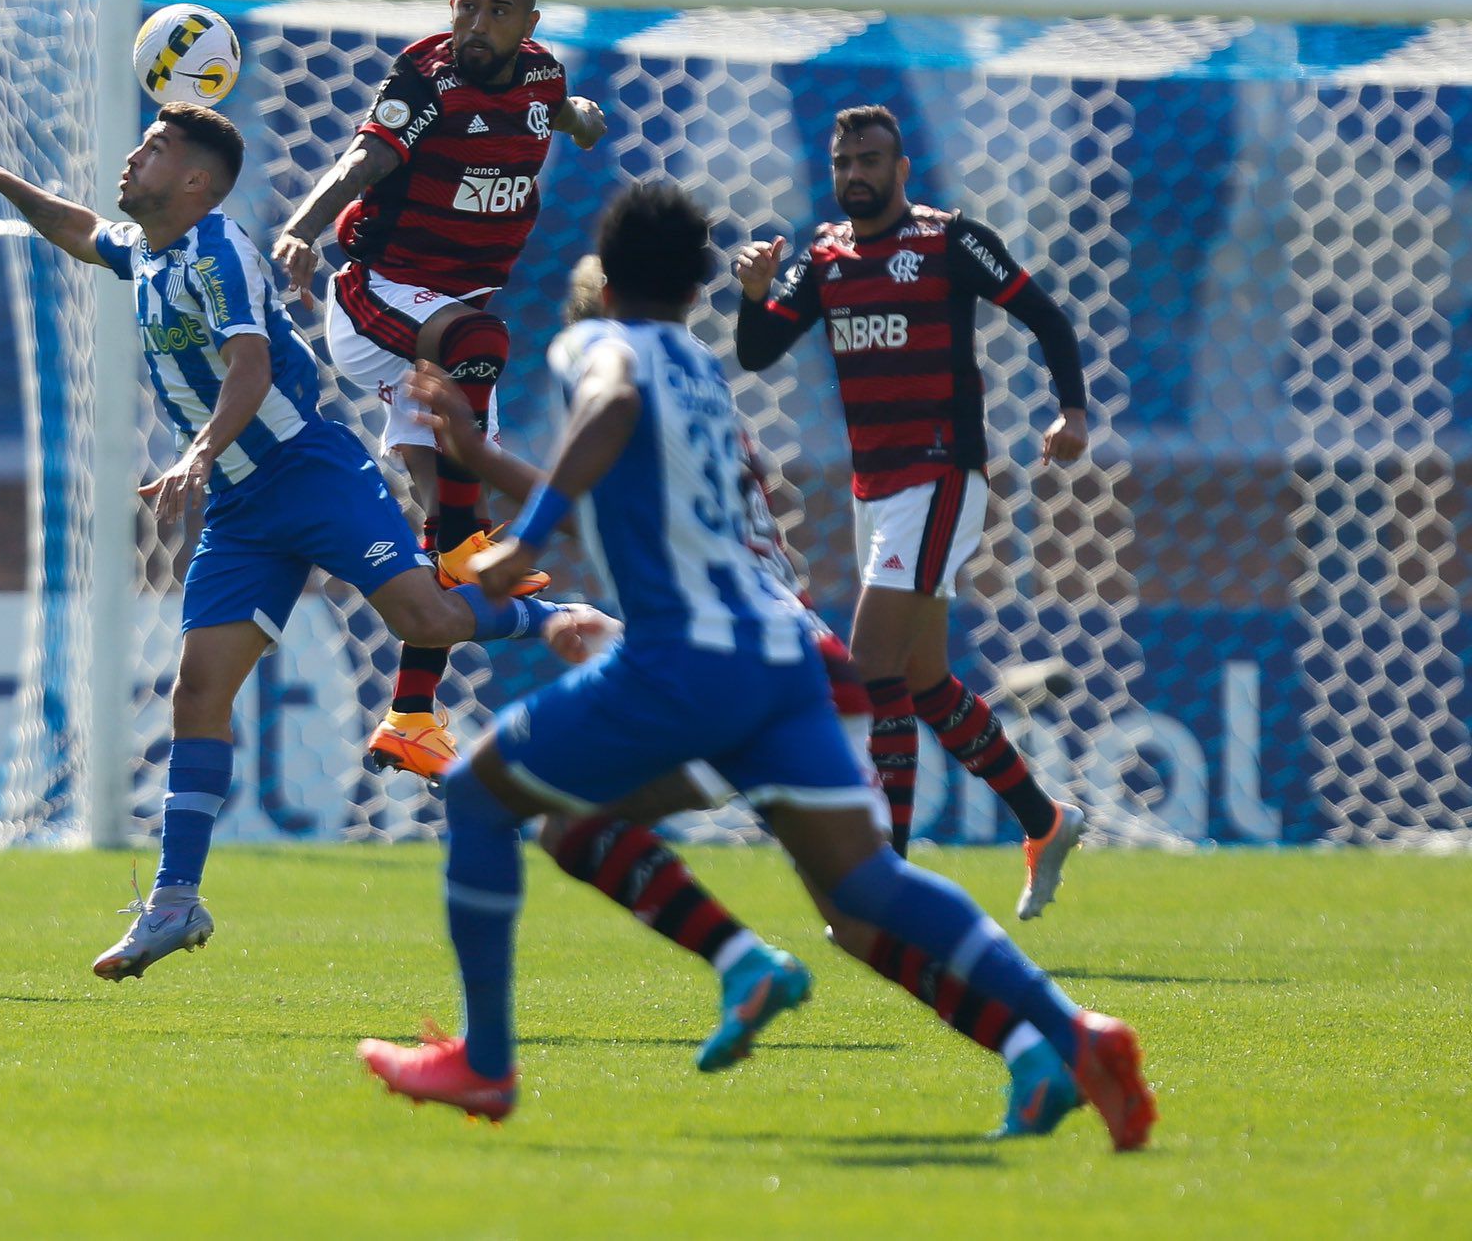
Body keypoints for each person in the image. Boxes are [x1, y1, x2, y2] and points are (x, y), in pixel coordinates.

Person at [360, 183, 1155, 1155]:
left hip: (683, 662)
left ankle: (486, 1059)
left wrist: (513, 538)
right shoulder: (699, 368)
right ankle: (1071, 1032)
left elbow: (605, 408)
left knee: (484, 796)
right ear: (699, 283)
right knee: (864, 887)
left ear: (604, 281)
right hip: (780, 659)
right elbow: (623, 478)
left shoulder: (592, 349)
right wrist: (489, 459)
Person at [0, 102, 590, 983]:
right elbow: (81, 229)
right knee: (197, 694)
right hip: (241, 508)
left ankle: (550, 616)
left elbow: (252, 366)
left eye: (154, 149)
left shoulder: (221, 250)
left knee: (425, 620)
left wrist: (197, 450)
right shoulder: (149, 251)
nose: (131, 158)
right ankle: (175, 902)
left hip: (307, 470)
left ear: (196, 182)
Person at [732, 104, 1090, 919]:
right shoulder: (823, 256)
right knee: (924, 682)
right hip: (875, 489)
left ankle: (883, 881)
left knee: (871, 667)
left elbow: (1045, 316)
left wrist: (1072, 410)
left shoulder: (947, 240)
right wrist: (754, 295)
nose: (855, 174)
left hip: (941, 474)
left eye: (871, 160)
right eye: (844, 162)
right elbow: (759, 351)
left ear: (901, 170)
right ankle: (1046, 821)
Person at [270, 0, 607, 782]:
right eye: (466, 4)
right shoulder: (425, 78)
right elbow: (369, 159)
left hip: (447, 329)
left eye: (498, 12)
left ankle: (412, 715)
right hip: (375, 295)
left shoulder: (541, 77)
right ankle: (464, 547)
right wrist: (302, 228)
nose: (476, 24)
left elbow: (557, 109)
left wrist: (582, 117)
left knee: (444, 497)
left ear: (528, 25)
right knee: (483, 349)